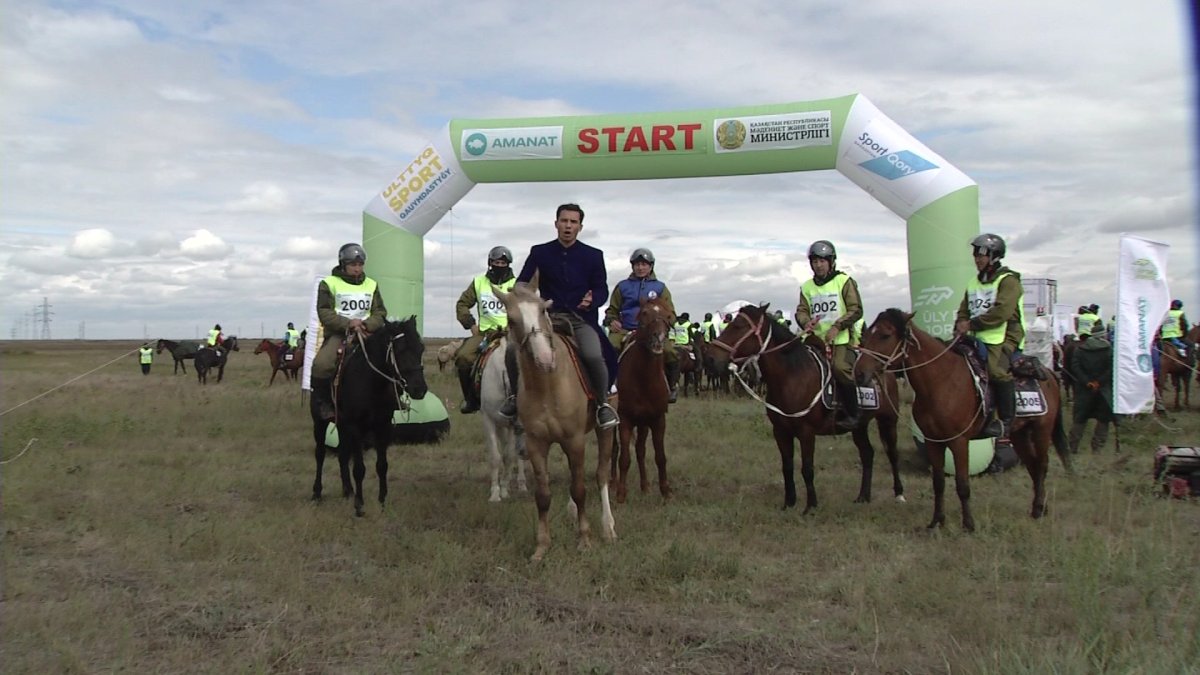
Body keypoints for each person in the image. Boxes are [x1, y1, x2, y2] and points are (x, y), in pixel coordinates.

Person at [499, 203, 619, 429]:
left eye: (573, 222)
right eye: (564, 221)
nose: (568, 226)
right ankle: (515, 399)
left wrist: (592, 300)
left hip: (580, 318)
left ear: (580, 227)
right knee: (513, 349)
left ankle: (602, 405)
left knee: (594, 355)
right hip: (547, 318)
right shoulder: (540, 252)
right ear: (556, 224)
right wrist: (525, 295)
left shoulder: (593, 256)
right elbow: (522, 283)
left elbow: (601, 290)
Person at [954, 233, 1025, 440]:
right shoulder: (973, 283)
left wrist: (972, 324)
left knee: (996, 371)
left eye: (982, 254)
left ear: (994, 256)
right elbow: (964, 310)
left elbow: (1002, 312)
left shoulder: (1009, 281)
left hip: (1004, 337)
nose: (977, 258)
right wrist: (959, 325)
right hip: (977, 336)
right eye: (975, 254)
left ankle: (1005, 421)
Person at [310, 243, 388, 422]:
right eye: (353, 265)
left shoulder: (372, 284)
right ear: (343, 264)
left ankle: (395, 400)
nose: (357, 269)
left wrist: (367, 324)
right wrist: (348, 324)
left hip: (368, 332)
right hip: (340, 333)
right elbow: (324, 312)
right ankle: (324, 403)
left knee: (394, 358)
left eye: (360, 265)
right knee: (322, 364)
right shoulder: (329, 283)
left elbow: (380, 312)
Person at [795, 240, 864, 431]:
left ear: (831, 261)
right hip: (815, 341)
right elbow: (801, 310)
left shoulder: (844, 281)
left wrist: (838, 326)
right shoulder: (807, 287)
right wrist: (805, 321)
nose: (818, 265)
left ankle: (853, 413)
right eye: (815, 261)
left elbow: (856, 309)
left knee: (839, 368)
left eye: (822, 261)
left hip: (840, 340)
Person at [604, 248, 681, 402]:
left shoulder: (660, 288)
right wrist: (612, 321)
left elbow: (671, 313)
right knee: (610, 347)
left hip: (652, 331)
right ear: (632, 266)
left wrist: (663, 326)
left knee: (671, 352)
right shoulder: (622, 286)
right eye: (637, 264)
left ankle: (672, 387)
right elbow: (612, 310)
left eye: (644, 264)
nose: (640, 268)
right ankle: (607, 386)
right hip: (625, 329)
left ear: (651, 266)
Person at [453, 245, 517, 414]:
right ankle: (471, 400)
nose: (500, 266)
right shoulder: (479, 282)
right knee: (463, 357)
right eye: (497, 262)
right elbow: (462, 304)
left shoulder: (516, 284)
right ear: (490, 263)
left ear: (509, 264)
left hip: (511, 333)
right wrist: (471, 325)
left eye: (503, 263)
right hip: (486, 334)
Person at [1067, 323, 1114, 453]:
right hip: (1103, 390)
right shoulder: (1109, 349)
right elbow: (1111, 369)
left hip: (1084, 390)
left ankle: (1073, 447)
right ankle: (1097, 448)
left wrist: (1087, 382)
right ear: (1103, 335)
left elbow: (1075, 367)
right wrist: (1099, 382)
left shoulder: (1080, 350)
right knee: (1103, 420)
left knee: (1080, 419)